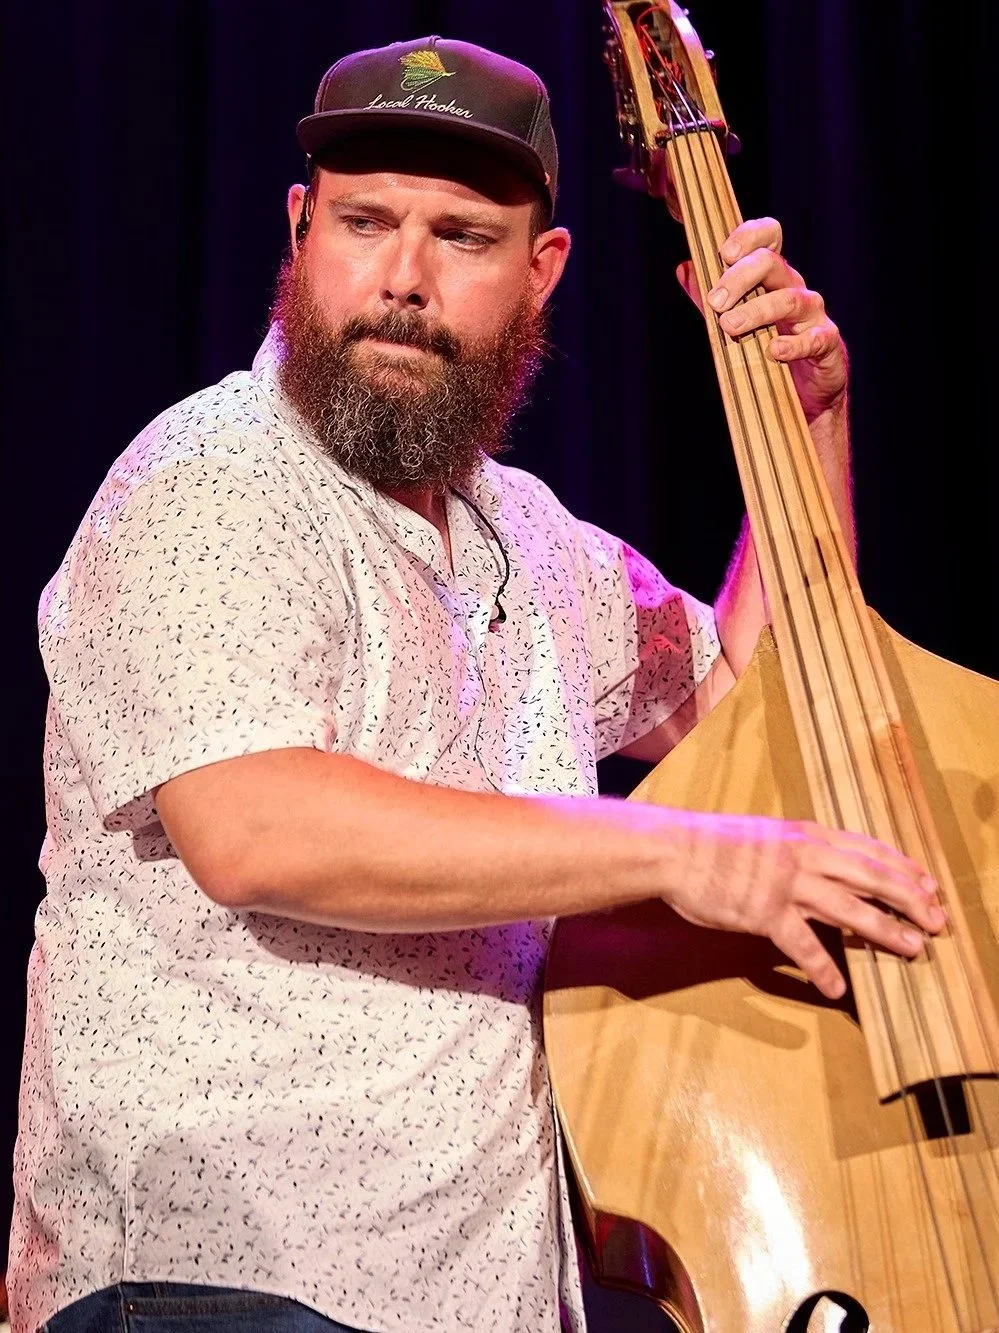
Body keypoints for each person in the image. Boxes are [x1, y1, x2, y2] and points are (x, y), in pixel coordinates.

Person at [8, 33, 945, 1333]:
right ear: (299, 229)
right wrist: (684, 851)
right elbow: (258, 827)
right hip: (220, 1272)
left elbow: (773, 705)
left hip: (477, 1288)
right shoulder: (213, 476)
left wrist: (803, 425)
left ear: (539, 270)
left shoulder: (532, 536)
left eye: (460, 236)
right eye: (362, 222)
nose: (399, 278)